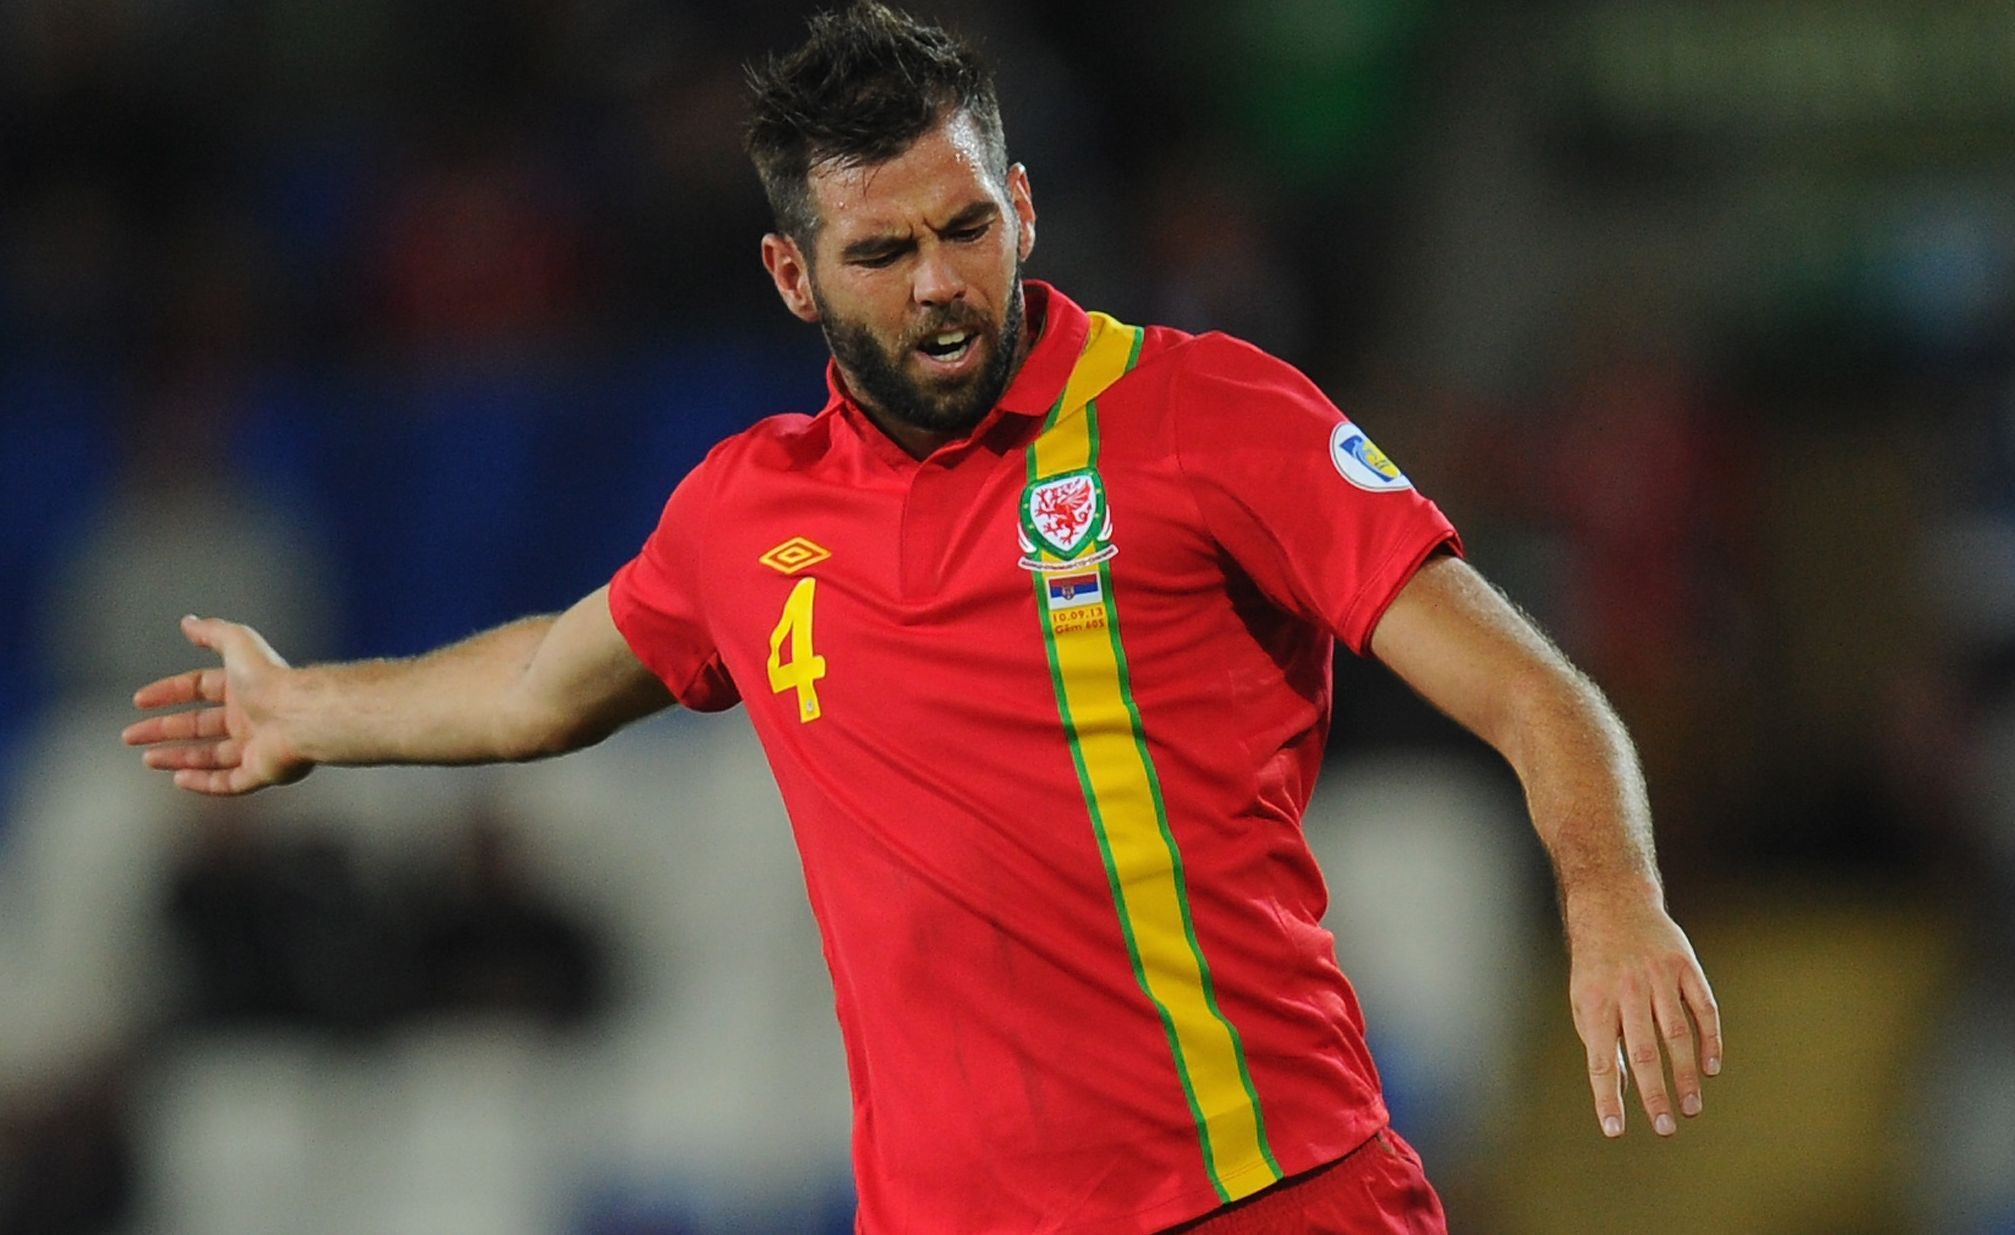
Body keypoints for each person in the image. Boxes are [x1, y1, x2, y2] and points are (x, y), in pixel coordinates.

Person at [123, 5, 1722, 1231]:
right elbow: (546, 680)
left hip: (1267, 1196)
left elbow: (1531, 687)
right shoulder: (746, 512)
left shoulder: (1208, 417)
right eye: (881, 252)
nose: (940, 282)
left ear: (1022, 199)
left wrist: (1612, 900)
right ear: (792, 275)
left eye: (965, 226)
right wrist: (306, 712)